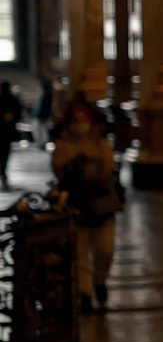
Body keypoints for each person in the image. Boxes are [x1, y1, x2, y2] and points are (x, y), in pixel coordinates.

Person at [52, 99, 121, 312]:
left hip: (101, 205)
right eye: (75, 119)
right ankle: (84, 293)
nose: (79, 123)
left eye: (83, 118)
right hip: (77, 205)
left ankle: (100, 280)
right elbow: (60, 170)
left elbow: (107, 169)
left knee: (105, 249)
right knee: (80, 252)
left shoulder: (100, 143)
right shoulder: (63, 145)